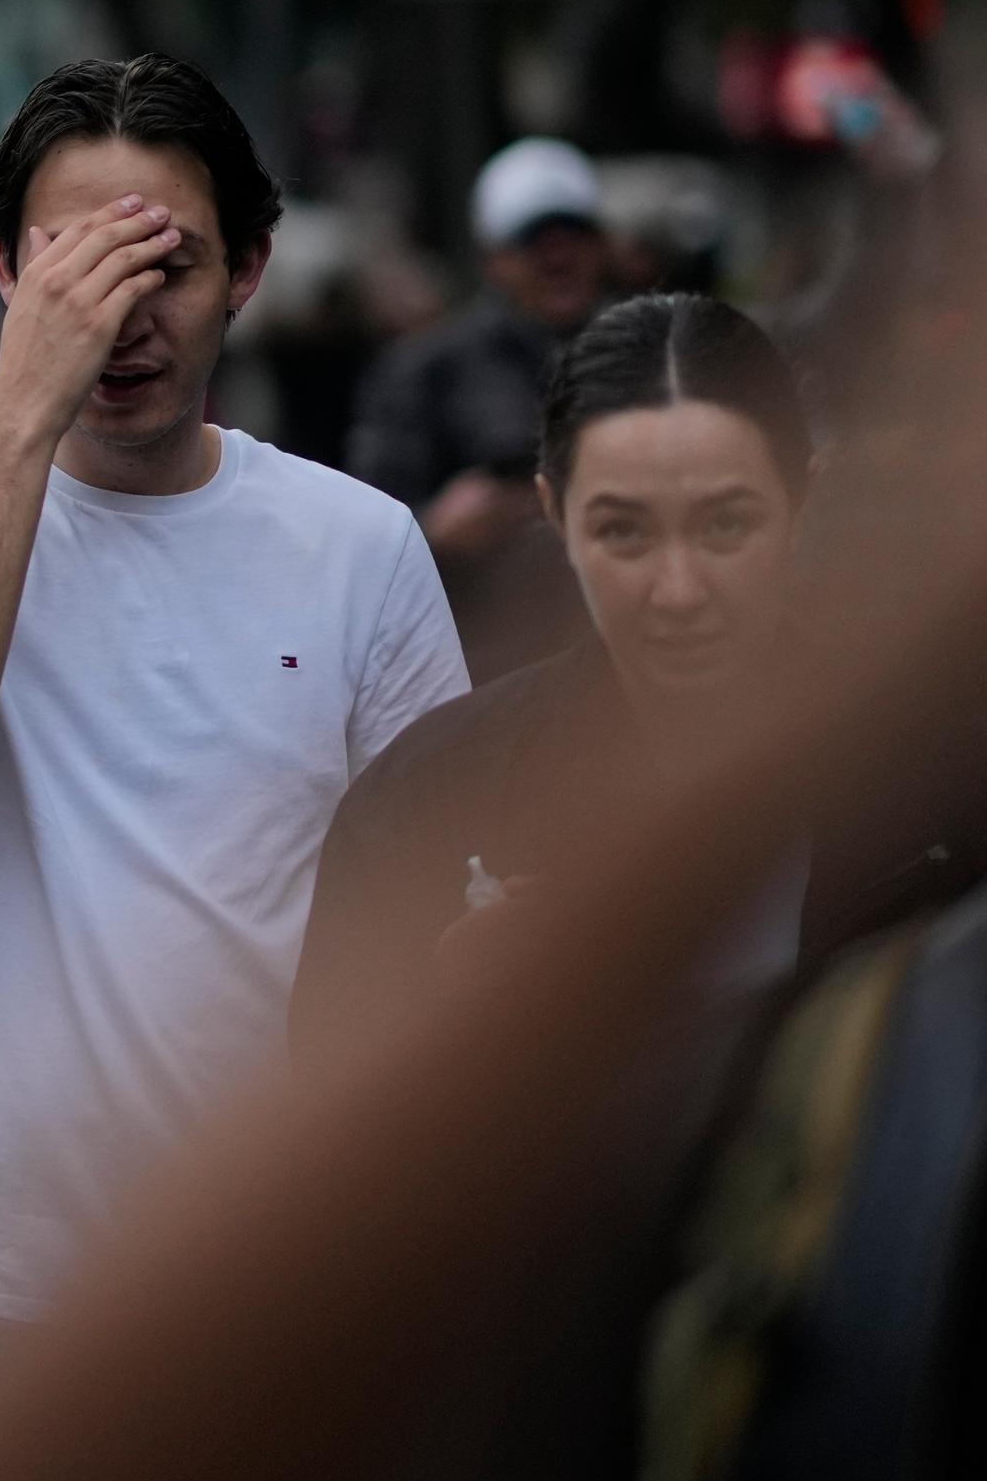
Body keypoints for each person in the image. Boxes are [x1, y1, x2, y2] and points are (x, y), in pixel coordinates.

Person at [0, 55, 467, 1440]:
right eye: (70, 266)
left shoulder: (359, 545)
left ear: (249, 271)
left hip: (269, 1296)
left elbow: (428, 928)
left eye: (160, 261)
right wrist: (20, 416)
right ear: (2, 270)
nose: (119, 312)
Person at [299, 294, 819, 1048]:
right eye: (624, 531)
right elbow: (324, 1118)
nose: (678, 590)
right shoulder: (430, 796)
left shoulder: (933, 772)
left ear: (801, 501)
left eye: (726, 524)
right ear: (555, 513)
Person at [352, 135, 616, 678]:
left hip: (621, 654)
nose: (559, 257)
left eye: (576, 234)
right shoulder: (424, 371)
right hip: (483, 666)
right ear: (491, 259)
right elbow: (362, 537)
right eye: (534, 240)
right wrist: (433, 531)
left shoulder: (649, 349)